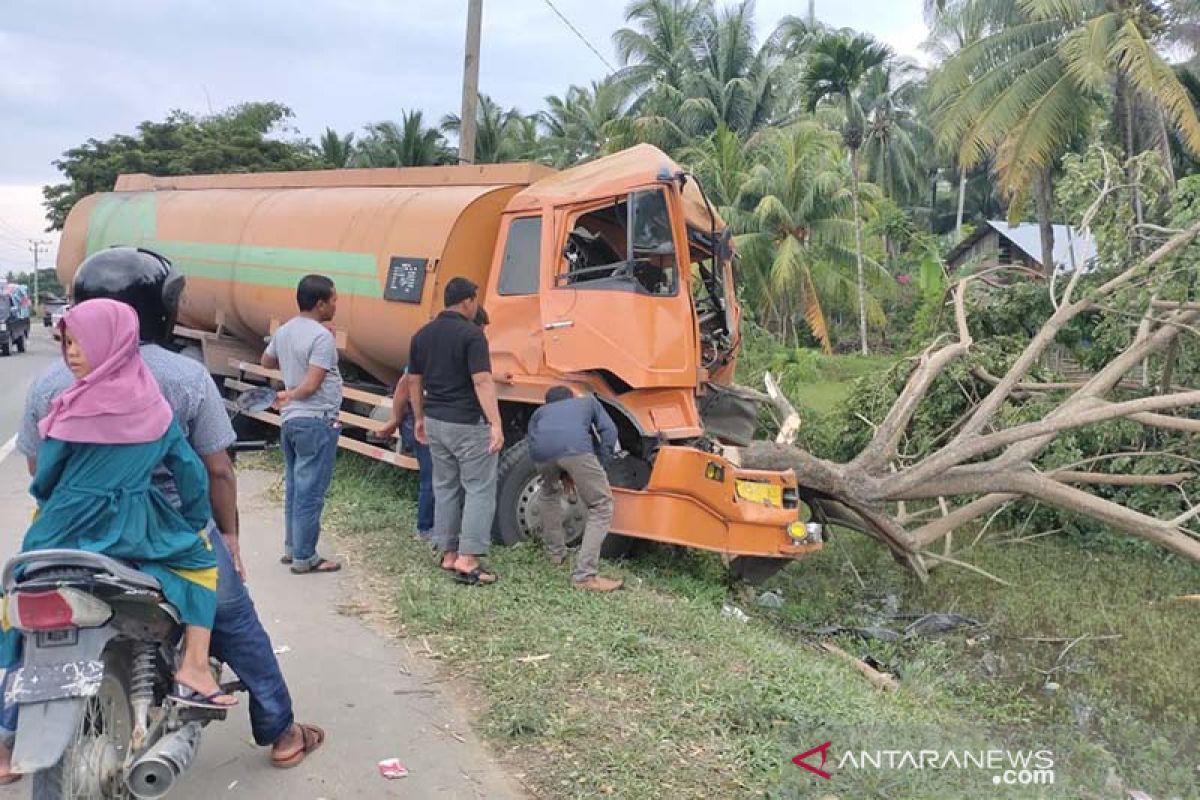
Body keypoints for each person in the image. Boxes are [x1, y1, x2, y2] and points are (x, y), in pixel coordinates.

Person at [2, 248, 322, 782]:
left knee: (27, 616)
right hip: (164, 532)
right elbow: (214, 471)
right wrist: (224, 534)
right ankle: (280, 729)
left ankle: (10, 734)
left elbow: (42, 473)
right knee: (234, 619)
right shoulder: (182, 379)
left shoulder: (52, 385)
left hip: (67, 536)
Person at [1, 299, 237, 710]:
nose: (71, 352)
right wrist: (193, 521)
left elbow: (45, 478)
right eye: (66, 342)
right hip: (136, 528)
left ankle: (7, 731)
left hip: (61, 528)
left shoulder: (68, 409)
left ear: (112, 343)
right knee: (201, 566)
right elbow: (191, 475)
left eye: (80, 342)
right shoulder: (154, 410)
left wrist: (56, 504)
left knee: (23, 589)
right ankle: (196, 665)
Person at [409, 278, 504, 585]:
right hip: (466, 423)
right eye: (474, 300)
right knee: (479, 488)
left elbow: (413, 381)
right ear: (467, 302)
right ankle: (468, 558)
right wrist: (496, 423)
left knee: (445, 486)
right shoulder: (472, 335)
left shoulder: (422, 335)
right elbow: (482, 381)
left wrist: (420, 418)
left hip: (435, 420)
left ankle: (449, 553)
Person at [378, 307, 490, 543]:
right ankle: (426, 528)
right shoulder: (440, 349)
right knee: (433, 477)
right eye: (482, 328)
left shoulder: (445, 347)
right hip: (425, 422)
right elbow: (403, 386)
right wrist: (395, 420)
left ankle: (443, 532)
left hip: (431, 421)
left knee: (443, 479)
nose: (484, 334)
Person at [262, 274, 343, 575]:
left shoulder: (285, 331)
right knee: (311, 490)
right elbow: (310, 386)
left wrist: (289, 362)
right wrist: (290, 394)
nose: (336, 305)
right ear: (320, 304)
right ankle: (305, 557)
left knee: (296, 486)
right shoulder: (322, 338)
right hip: (315, 419)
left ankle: (292, 548)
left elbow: (266, 361)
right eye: (333, 300)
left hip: (291, 423)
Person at [528, 386, 624, 591]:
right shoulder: (587, 402)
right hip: (576, 449)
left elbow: (538, 441)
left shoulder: (539, 413)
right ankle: (585, 575)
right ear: (571, 397)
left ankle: (555, 554)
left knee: (548, 494)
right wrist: (602, 463)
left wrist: (562, 472)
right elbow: (610, 430)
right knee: (602, 505)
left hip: (541, 455)